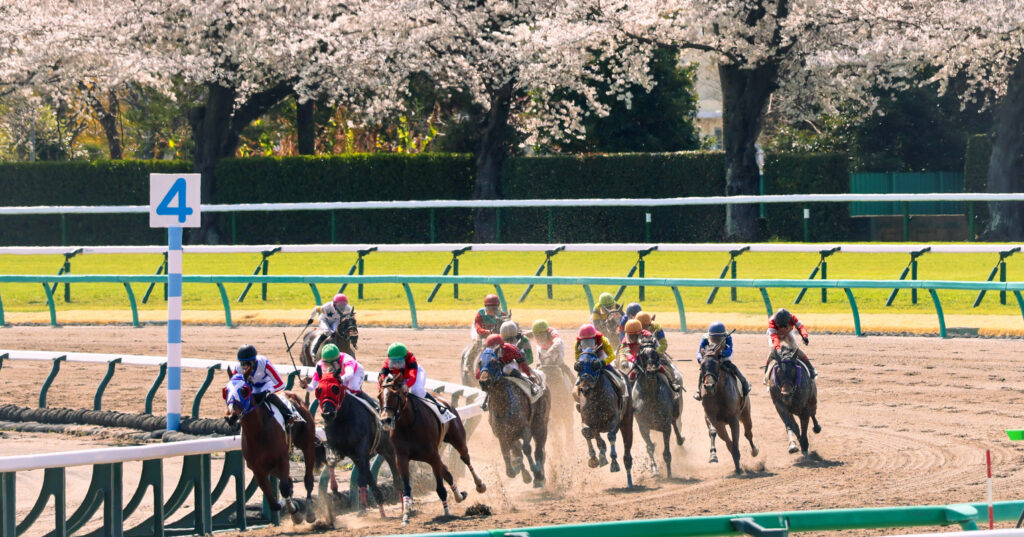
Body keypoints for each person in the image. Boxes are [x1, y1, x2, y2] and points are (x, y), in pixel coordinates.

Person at [231, 344, 303, 425]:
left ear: (254, 360)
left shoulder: (264, 364)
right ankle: (234, 417)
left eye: (247, 363)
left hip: (267, 384)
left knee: (269, 396)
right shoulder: (237, 368)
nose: (245, 367)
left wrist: (268, 392)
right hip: (252, 386)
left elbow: (281, 384)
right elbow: (233, 387)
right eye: (242, 363)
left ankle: (288, 414)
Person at [378, 343, 452, 417]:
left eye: (399, 361)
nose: (396, 364)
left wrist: (407, 385)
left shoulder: (411, 359)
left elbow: (412, 376)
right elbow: (381, 377)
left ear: (405, 357)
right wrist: (382, 388)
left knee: (416, 390)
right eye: (394, 361)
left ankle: (437, 404)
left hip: (416, 373)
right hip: (400, 376)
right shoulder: (387, 363)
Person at [299, 343, 374, 407]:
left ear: (338, 359)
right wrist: (306, 386)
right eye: (327, 364)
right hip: (341, 375)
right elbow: (313, 387)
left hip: (356, 372)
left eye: (333, 364)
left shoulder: (347, 359)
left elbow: (349, 374)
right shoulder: (320, 365)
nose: (330, 367)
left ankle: (371, 404)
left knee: (352, 389)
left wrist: (340, 379)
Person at [622, 319, 682, 394]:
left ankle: (672, 384)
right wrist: (633, 360)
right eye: (631, 336)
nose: (633, 338)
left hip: (648, 357)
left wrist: (653, 339)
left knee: (661, 368)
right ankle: (628, 393)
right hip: (636, 360)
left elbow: (651, 337)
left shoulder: (645, 333)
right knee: (632, 374)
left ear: (640, 333)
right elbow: (626, 353)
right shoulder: (625, 340)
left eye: (635, 336)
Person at [694, 322, 749, 400]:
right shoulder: (705, 337)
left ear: (723, 336)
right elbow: (699, 352)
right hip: (710, 358)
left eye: (718, 339)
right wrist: (701, 359)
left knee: (734, 368)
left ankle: (744, 385)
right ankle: (699, 391)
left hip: (724, 358)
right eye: (713, 338)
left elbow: (729, 351)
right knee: (703, 371)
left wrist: (719, 353)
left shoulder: (728, 337)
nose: (715, 340)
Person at [765, 308, 817, 380]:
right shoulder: (771, 321)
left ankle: (811, 369)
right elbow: (774, 337)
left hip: (788, 334)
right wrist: (777, 348)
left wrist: (804, 336)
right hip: (775, 335)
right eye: (780, 326)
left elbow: (800, 327)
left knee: (795, 349)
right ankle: (766, 374)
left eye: (785, 326)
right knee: (773, 351)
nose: (782, 329)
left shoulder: (792, 318)